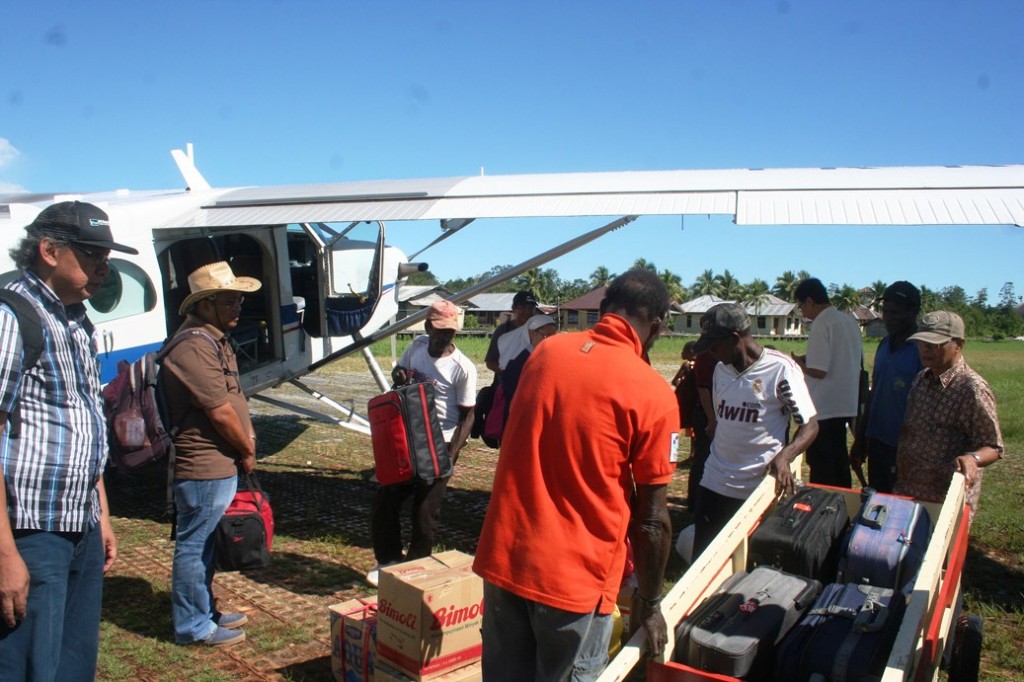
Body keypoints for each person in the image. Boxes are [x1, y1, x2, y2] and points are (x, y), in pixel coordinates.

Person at [473, 270, 677, 681]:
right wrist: (650, 604)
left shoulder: (546, 355)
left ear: (603, 310)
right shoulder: (654, 393)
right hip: (574, 584)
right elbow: (653, 519)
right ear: (655, 324)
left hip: (505, 560)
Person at [0, 201, 134, 680]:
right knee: (28, 663)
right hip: (32, 530)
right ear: (50, 250)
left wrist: (101, 513)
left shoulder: (77, 321)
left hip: (78, 521)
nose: (104, 268)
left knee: (73, 661)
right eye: (93, 254)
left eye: (106, 256)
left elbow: (85, 421)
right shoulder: (13, 314)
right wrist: (4, 553)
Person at [159, 261, 262, 647]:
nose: (238, 306)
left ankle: (205, 611)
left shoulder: (209, 339)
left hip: (216, 462)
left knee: (204, 544)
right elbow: (219, 410)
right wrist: (246, 447)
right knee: (195, 545)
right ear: (203, 306)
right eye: (229, 300)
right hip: (203, 464)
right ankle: (192, 626)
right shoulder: (193, 347)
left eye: (238, 299)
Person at [692, 303, 818, 560]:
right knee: (702, 563)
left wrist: (786, 455)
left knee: (746, 564)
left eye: (715, 345)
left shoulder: (780, 370)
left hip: (756, 487)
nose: (712, 353)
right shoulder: (721, 370)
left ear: (734, 338)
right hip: (715, 480)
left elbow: (810, 424)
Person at [368, 300, 476, 586]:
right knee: (386, 501)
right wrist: (399, 375)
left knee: (424, 514)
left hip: (440, 444)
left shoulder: (462, 368)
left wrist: (449, 456)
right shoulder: (417, 347)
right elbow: (399, 372)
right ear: (428, 327)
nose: (444, 337)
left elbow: (468, 415)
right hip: (408, 438)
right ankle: (387, 562)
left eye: (450, 333)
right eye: (440, 331)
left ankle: (413, 573)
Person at [895, 311, 1003, 520]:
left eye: (935, 344)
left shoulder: (971, 388)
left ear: (959, 345)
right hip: (908, 492)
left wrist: (973, 458)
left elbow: (994, 446)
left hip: (944, 501)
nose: (925, 349)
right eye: (922, 343)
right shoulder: (921, 379)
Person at [850, 281, 923, 492]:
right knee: (877, 503)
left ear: (913, 311)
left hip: (905, 447)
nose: (889, 317)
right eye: (886, 311)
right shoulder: (884, 346)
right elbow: (875, 394)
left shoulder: (922, 351)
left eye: (896, 312)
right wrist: (861, 439)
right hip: (877, 441)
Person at [791, 277, 862, 488]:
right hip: (845, 403)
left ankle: (824, 514)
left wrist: (798, 364)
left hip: (823, 406)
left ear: (810, 301)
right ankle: (843, 510)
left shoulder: (821, 323)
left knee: (822, 469)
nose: (802, 311)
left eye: (801, 305)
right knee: (839, 464)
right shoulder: (848, 321)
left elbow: (819, 371)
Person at [687, 348, 717, 513]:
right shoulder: (705, 357)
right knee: (703, 458)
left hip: (715, 414)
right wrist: (711, 419)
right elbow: (703, 388)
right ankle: (695, 502)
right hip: (706, 414)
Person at [484, 290, 538, 376]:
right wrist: (511, 375)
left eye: (531, 308)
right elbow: (490, 363)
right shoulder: (503, 331)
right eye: (523, 307)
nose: (527, 311)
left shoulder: (539, 331)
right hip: (507, 384)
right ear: (514, 308)